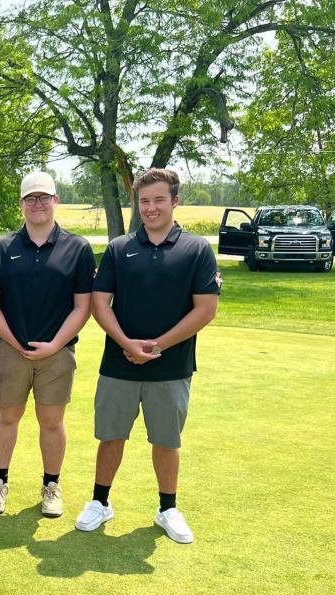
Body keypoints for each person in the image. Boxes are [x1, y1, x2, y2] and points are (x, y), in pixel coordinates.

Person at [75, 168, 219, 544]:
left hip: (171, 365)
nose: (151, 208)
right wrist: (126, 341)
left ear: (175, 201)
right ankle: (100, 501)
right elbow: (99, 303)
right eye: (144, 201)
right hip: (118, 362)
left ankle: (167, 508)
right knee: (111, 436)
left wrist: (156, 346)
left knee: (166, 441)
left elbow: (205, 309)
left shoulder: (197, 249)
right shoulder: (120, 248)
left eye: (159, 200)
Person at [0, 171, 96, 518]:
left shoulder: (77, 248)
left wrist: (56, 344)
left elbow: (83, 305)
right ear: (21, 204)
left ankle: (51, 485)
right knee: (8, 416)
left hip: (57, 353)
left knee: (51, 421)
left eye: (44, 197)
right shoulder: (3, 248)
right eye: (31, 198)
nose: (38, 204)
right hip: (11, 350)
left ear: (56, 201)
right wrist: (14, 341)